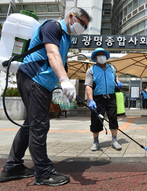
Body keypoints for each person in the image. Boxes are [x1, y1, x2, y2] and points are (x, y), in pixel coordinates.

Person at [0, 8, 92, 186]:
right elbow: (52, 54)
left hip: (41, 83)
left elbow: (55, 64)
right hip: (34, 78)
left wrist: (60, 84)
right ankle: (43, 172)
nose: (83, 28)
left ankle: (13, 167)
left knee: (30, 124)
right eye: (82, 23)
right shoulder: (53, 26)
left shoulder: (67, 38)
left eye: (86, 27)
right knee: (39, 125)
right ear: (71, 17)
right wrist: (65, 80)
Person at [85, 48, 123, 152]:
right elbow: (88, 86)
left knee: (113, 118)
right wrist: (91, 100)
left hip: (111, 97)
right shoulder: (91, 70)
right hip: (98, 98)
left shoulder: (111, 68)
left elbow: (116, 77)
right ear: (95, 58)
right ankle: (96, 141)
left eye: (103, 54)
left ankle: (114, 140)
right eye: (99, 55)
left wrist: (118, 81)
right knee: (96, 120)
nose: (102, 56)